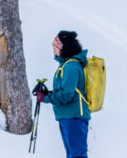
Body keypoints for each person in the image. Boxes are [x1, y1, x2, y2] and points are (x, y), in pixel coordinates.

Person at [37, 30, 90, 158]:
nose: (53, 49)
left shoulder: (71, 66)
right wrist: (46, 94)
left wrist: (46, 98)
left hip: (74, 116)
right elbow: (67, 90)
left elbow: (67, 94)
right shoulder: (66, 65)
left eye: (54, 46)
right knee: (72, 154)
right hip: (67, 116)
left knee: (77, 155)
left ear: (63, 48)